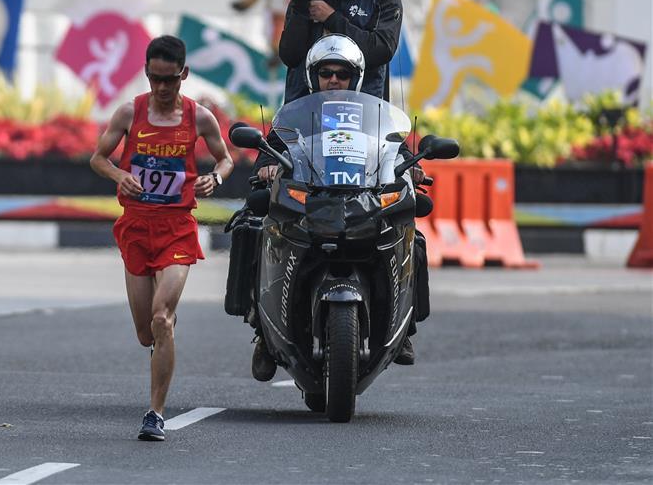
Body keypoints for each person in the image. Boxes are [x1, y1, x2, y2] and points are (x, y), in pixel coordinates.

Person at [248, 34, 425, 379]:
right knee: (254, 227)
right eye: (326, 72)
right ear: (312, 76)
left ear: (355, 77)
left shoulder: (375, 119)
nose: (333, 80)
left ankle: (406, 330)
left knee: (413, 239)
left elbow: (396, 152)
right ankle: (261, 332)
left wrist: (412, 170)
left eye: (341, 73)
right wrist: (266, 169)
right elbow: (266, 155)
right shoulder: (292, 120)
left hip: (363, 203)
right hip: (311, 204)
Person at [90, 35, 234, 442]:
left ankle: (155, 413)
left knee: (161, 318)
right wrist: (121, 175)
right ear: (147, 74)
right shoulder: (129, 113)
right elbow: (98, 158)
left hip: (176, 227)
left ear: (183, 75)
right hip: (136, 226)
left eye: (169, 80)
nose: (162, 88)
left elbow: (225, 157)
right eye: (155, 79)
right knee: (144, 333)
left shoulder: (199, 117)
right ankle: (160, 336)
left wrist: (216, 176)